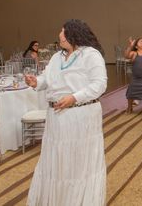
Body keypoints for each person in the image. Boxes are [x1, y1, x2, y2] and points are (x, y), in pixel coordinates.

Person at [25, 19, 107, 205]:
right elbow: (47, 78)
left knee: (77, 161)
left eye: (62, 31)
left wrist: (74, 97)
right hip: (56, 117)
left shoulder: (91, 55)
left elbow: (99, 84)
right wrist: (36, 82)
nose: (59, 35)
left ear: (74, 33)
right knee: (58, 160)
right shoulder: (56, 57)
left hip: (80, 115)